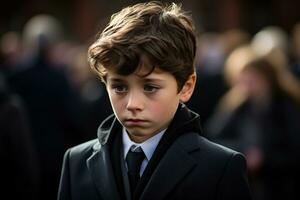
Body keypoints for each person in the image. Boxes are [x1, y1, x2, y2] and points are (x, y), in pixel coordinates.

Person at [57, 2, 252, 200]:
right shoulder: (76, 162)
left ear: (186, 86)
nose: (133, 104)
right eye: (119, 87)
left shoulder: (220, 167)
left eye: (150, 87)